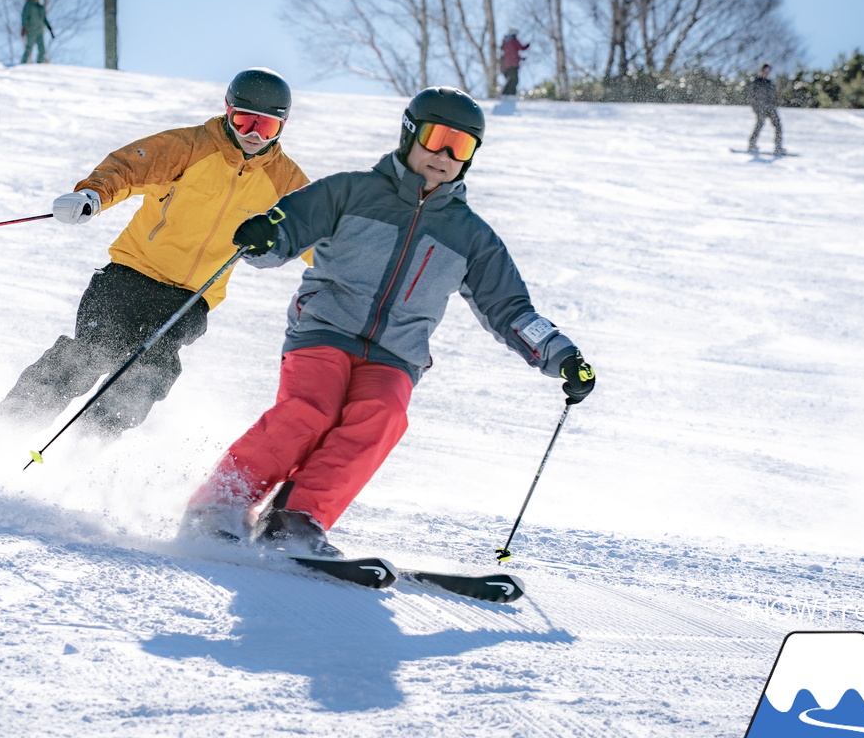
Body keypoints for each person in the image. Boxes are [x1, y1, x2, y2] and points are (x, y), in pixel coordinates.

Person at [181, 86, 596, 557]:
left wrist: (560, 354)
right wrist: (264, 234)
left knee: (382, 417)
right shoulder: (350, 190)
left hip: (397, 354)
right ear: (409, 135)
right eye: (436, 138)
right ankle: (219, 505)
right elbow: (287, 227)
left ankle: (296, 521)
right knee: (309, 410)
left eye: (460, 147)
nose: (444, 155)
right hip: (325, 329)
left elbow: (510, 309)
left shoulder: (472, 236)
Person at [0, 68, 310, 438]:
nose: (254, 135)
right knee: (91, 353)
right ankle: (7, 431)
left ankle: (83, 451)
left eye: (267, 128)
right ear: (228, 111)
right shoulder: (191, 147)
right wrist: (93, 195)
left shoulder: (285, 181)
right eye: (244, 122)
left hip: (192, 299)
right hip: (131, 275)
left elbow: (317, 233)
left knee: (149, 374)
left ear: (282, 126)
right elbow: (130, 167)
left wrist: (355, 272)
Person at [746, 62, 784, 156]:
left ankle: (778, 147)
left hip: (770, 108)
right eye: (766, 70)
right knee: (760, 124)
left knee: (778, 126)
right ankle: (752, 145)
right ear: (762, 70)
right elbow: (750, 96)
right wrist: (755, 107)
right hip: (760, 108)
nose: (767, 72)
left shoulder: (769, 83)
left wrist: (773, 106)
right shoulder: (756, 82)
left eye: (769, 70)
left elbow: (772, 97)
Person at [21, 0, 55, 64]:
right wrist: (24, 27)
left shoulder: (40, 7)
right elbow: (24, 16)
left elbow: (44, 19)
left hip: (39, 31)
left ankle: (40, 65)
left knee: (42, 50)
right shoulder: (29, 5)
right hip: (31, 31)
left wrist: (50, 28)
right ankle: (22, 63)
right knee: (29, 48)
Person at [500, 29, 530, 96]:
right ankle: (507, 93)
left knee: (511, 79)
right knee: (514, 80)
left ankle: (507, 94)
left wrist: (521, 58)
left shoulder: (506, 43)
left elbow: (510, 54)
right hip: (513, 64)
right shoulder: (513, 41)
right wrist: (529, 44)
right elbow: (522, 48)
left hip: (506, 65)